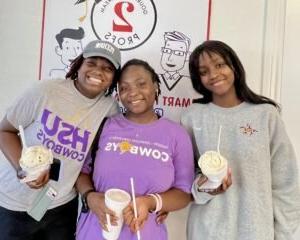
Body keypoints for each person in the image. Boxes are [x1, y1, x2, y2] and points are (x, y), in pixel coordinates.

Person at [0, 39, 121, 240]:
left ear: (114, 78)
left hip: (61, 205)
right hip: (14, 202)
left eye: (107, 68)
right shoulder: (45, 91)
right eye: (91, 63)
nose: (98, 72)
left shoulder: (110, 109)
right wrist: (23, 170)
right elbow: (5, 132)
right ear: (79, 64)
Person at [181, 40, 300, 240]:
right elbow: (185, 179)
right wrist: (205, 187)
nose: (213, 74)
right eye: (204, 71)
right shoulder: (192, 117)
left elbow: (286, 183)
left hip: (255, 230)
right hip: (206, 231)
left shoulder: (265, 115)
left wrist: (286, 235)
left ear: (234, 66)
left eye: (220, 65)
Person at [75, 59, 194, 240]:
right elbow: (81, 172)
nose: (133, 92)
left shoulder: (176, 134)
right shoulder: (104, 126)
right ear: (118, 94)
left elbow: (183, 193)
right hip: (95, 231)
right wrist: (90, 197)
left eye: (141, 84)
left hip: (146, 234)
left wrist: (151, 202)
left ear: (155, 87)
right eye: (124, 88)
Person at [157, 31, 200, 122]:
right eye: (167, 51)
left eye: (178, 53)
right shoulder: (151, 81)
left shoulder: (193, 84)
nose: (171, 58)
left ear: (187, 56)